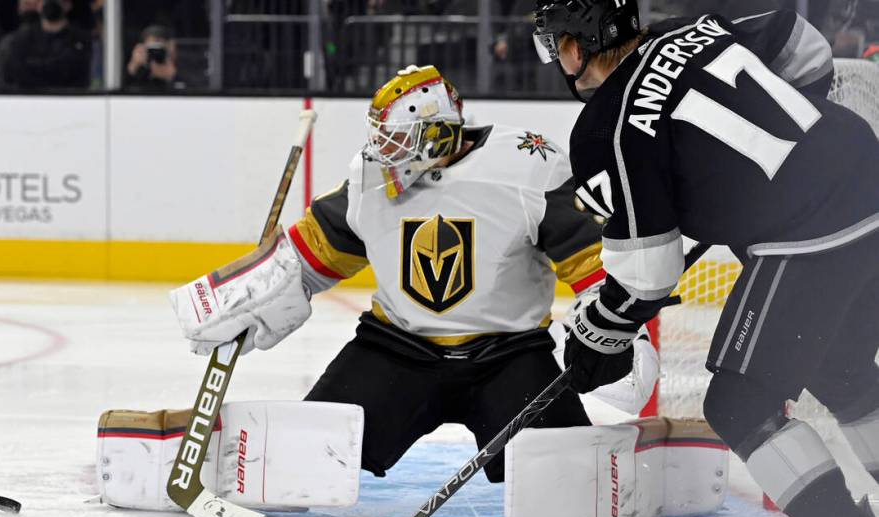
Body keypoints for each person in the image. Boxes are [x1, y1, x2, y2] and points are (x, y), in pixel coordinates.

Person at [533, 0, 879, 517]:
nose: (556, 57)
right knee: (843, 370)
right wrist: (766, 167)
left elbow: (647, 276)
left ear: (586, 39)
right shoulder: (695, 29)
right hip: (866, 175)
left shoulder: (603, 129)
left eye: (557, 41)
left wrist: (595, 334)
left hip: (810, 231)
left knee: (737, 404)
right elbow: (808, 51)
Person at [170, 64, 659, 486]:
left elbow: (596, 260)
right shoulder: (372, 177)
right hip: (395, 350)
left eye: (397, 140)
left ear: (439, 133)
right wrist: (253, 291)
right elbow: (315, 252)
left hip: (508, 355)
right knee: (305, 461)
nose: (384, 152)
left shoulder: (527, 165)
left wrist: (616, 330)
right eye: (381, 138)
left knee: (568, 481)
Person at [0, 0, 91, 90]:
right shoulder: (21, 38)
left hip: (71, 100)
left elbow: (76, 74)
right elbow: (16, 73)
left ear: (68, 4)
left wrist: (35, 67)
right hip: (29, 99)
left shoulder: (81, 39)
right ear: (38, 5)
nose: (51, 2)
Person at [125, 25, 184, 91]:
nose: (156, 53)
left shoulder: (183, 70)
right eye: (151, 49)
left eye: (160, 49)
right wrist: (134, 66)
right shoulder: (139, 74)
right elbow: (123, 90)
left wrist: (172, 77)